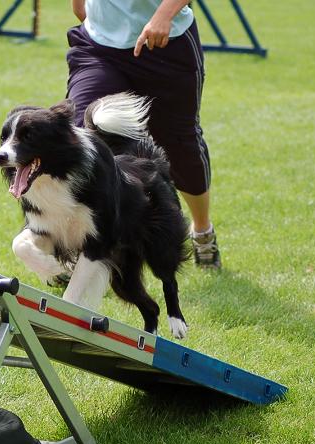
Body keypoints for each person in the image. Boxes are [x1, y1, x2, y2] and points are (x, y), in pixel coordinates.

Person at [66, 0, 221, 269]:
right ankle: (74, 250)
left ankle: (202, 230)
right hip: (99, 47)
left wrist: (163, 15)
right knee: (81, 138)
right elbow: (80, 10)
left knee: (180, 149)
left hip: (164, 45)